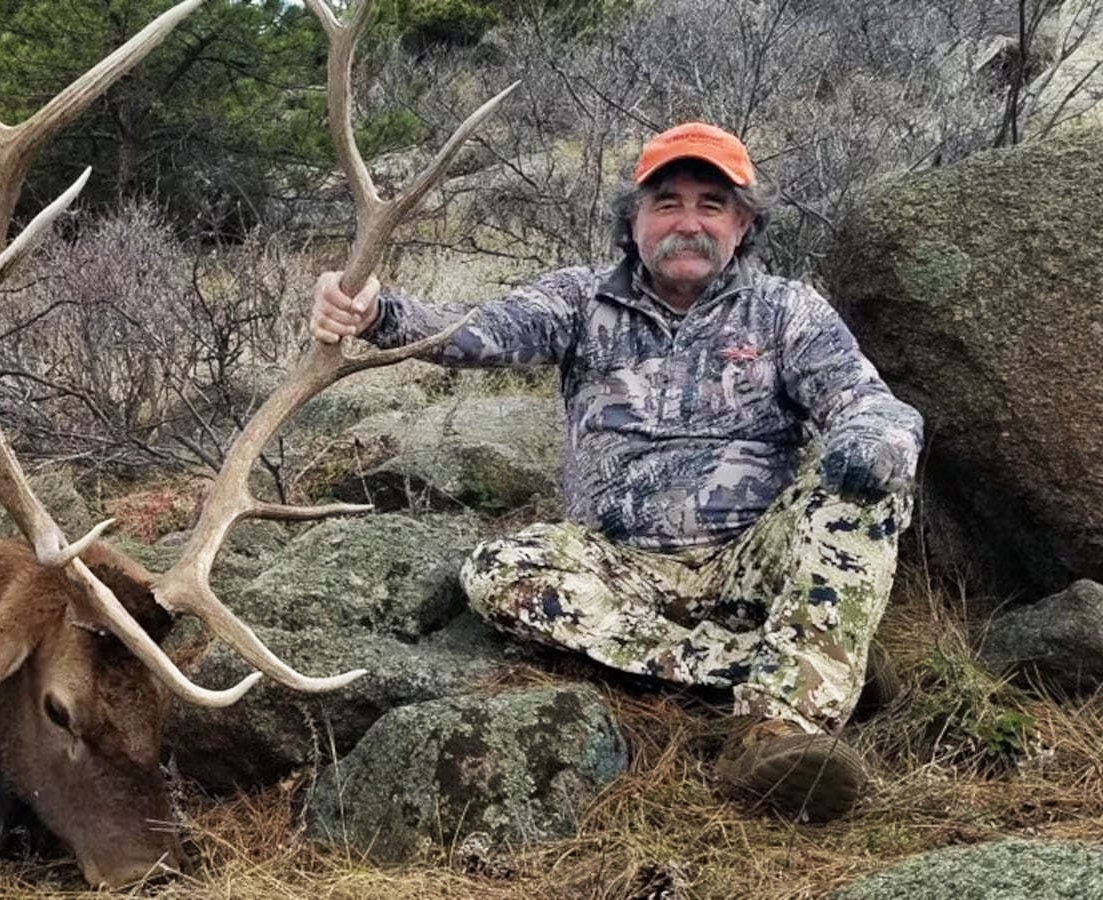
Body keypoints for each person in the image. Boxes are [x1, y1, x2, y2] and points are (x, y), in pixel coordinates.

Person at [308, 122, 922, 823]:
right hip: (616, 568)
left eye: (710, 205)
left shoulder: (788, 311)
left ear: (744, 224)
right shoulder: (580, 299)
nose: (687, 223)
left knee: (859, 495)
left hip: (753, 563)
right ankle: (810, 660)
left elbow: (870, 404)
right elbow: (473, 330)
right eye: (666, 202)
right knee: (498, 572)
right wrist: (375, 311)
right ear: (632, 221)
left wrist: (874, 441)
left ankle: (776, 732)